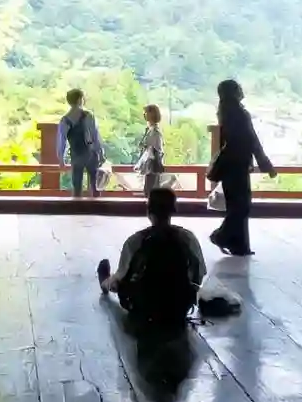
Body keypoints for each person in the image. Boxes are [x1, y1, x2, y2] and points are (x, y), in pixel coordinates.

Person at [96, 188, 206, 328]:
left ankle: (105, 283)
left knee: (117, 280)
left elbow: (122, 276)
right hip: (178, 308)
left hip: (142, 307)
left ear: (148, 211)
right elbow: (199, 274)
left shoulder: (136, 241)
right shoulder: (188, 238)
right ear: (174, 209)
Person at [208, 80, 276, 256]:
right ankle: (221, 236)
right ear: (233, 92)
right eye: (238, 88)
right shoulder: (239, 113)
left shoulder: (225, 111)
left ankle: (238, 245)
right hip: (237, 164)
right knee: (241, 206)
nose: (241, 90)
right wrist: (265, 164)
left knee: (236, 205)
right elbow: (252, 140)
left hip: (230, 163)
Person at [56, 88, 105, 199]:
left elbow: (61, 141)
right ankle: (96, 206)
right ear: (79, 100)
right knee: (94, 185)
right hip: (91, 153)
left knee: (77, 186)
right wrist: (101, 153)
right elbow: (95, 136)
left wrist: (61, 159)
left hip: (76, 154)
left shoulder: (65, 120)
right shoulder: (88, 115)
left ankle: (77, 206)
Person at [137, 104, 165, 193]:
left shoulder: (155, 132)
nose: (144, 115)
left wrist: (145, 147)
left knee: (150, 191)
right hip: (150, 166)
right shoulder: (150, 130)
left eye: (146, 112)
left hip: (152, 166)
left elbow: (156, 150)